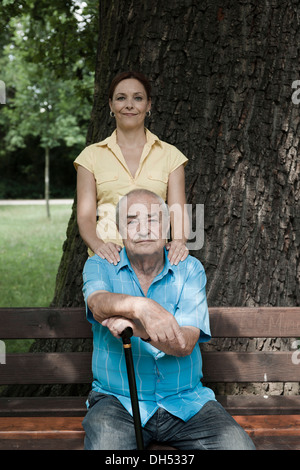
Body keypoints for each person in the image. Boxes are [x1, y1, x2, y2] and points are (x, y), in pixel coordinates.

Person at [81, 189, 255, 450]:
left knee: (238, 448)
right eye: (131, 220)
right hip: (119, 402)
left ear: (167, 227)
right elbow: (97, 303)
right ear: (119, 230)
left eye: (152, 219)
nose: (143, 229)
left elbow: (185, 343)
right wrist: (142, 307)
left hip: (186, 402)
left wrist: (138, 328)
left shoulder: (189, 269)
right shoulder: (100, 265)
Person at [74, 71, 189, 266]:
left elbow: (178, 211)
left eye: (138, 98)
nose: (129, 105)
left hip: (155, 262)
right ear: (111, 105)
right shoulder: (90, 156)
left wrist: (179, 242)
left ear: (148, 104)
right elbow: (85, 216)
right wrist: (99, 245)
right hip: (108, 260)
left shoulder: (171, 155)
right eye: (121, 98)